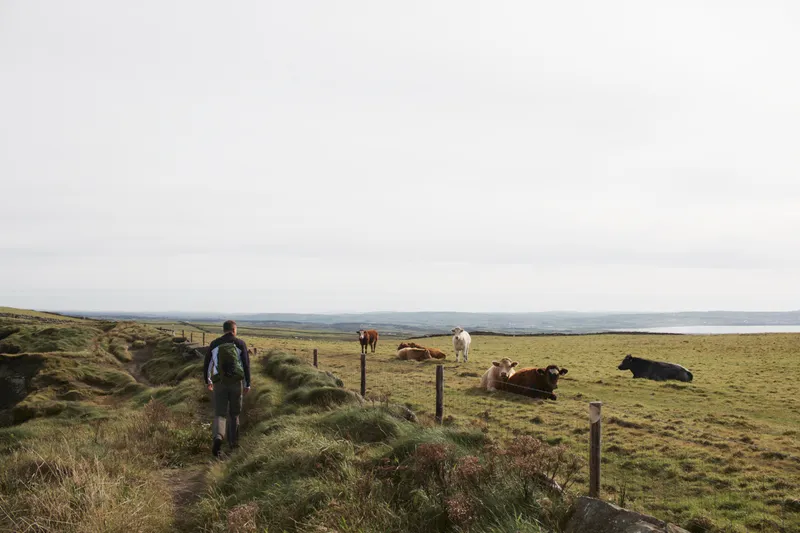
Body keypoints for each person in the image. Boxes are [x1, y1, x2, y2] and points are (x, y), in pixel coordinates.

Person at [203, 320, 251, 458]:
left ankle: (218, 438)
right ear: (234, 330)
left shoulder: (214, 344)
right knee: (234, 414)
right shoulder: (240, 343)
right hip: (236, 382)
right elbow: (246, 365)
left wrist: (208, 381)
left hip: (219, 383)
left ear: (223, 330)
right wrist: (247, 384)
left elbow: (207, 364)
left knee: (220, 413)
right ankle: (233, 444)